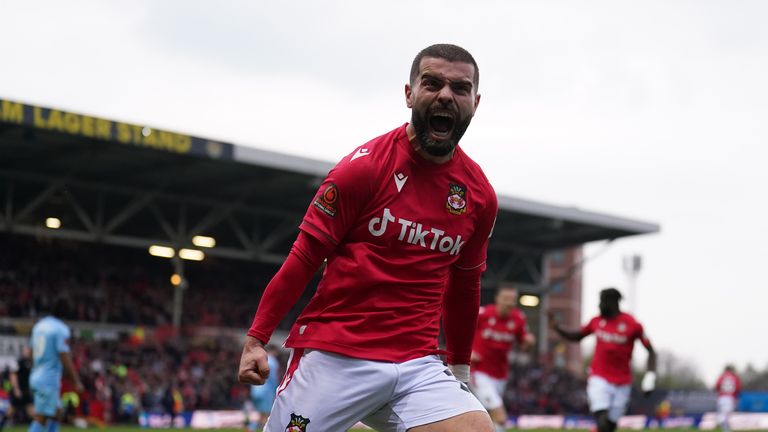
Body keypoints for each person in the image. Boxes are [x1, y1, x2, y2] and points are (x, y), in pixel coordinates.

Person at [238, 43, 499, 432]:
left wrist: (459, 365)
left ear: (475, 102)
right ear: (409, 94)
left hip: (417, 364)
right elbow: (304, 258)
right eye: (433, 83)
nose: (446, 95)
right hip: (337, 354)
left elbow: (464, 286)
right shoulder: (362, 170)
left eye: (460, 88)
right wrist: (257, 338)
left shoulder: (479, 195)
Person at [549, 288, 656, 432]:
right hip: (599, 377)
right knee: (602, 418)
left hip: (623, 382)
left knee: (610, 425)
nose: (599, 305)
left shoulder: (632, 324)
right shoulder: (596, 321)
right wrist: (557, 328)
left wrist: (649, 377)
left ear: (614, 303)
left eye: (603, 302)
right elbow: (576, 336)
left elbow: (651, 351)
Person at [470, 285, 534, 432]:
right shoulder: (483, 314)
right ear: (497, 299)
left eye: (512, 300)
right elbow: (459, 329)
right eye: (505, 299)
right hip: (479, 372)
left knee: (488, 416)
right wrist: (467, 352)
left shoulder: (518, 318)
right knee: (500, 415)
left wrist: (529, 343)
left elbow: (524, 345)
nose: (509, 303)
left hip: (501, 375)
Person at [28, 312, 84, 432]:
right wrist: (76, 381)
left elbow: (30, 353)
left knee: (57, 413)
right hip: (48, 378)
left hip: (36, 374)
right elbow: (64, 356)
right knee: (42, 417)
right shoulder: (60, 329)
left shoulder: (38, 327)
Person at [245, 346, 281, 431]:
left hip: (255, 390)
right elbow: (273, 379)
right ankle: (253, 429)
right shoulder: (273, 362)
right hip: (266, 392)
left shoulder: (259, 360)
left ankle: (250, 428)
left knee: (259, 413)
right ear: (274, 351)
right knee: (266, 414)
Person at [714, 364, 741, 432]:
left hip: (721, 397)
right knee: (726, 415)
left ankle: (723, 424)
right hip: (730, 398)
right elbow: (738, 388)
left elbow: (717, 386)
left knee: (724, 414)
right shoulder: (735, 377)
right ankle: (721, 421)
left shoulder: (722, 376)